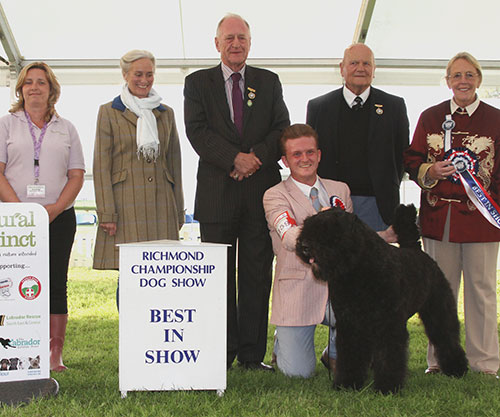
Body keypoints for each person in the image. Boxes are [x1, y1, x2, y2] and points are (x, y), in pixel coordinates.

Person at [184, 13, 290, 371]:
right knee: (218, 277)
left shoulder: (269, 81)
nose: (235, 43)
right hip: (217, 195)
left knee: (257, 274)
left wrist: (255, 158)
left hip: (261, 193)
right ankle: (220, 351)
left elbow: (281, 129)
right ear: (217, 44)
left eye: (242, 37)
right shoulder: (197, 83)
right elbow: (197, 132)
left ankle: (250, 355)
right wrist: (233, 158)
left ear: (250, 42)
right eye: (228, 38)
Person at [263, 123, 396, 378]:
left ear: (319, 154)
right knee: (298, 374)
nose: (305, 159)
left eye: (310, 152)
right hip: (298, 290)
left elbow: (353, 239)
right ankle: (283, 342)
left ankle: (332, 352)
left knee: (357, 352)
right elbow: (290, 237)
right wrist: (323, 226)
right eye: (297, 154)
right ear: (285, 161)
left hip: (340, 287)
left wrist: (385, 236)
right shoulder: (274, 195)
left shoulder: (340, 190)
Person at [404, 52, 500, 376]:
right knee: (438, 295)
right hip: (437, 221)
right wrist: (430, 169)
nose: (463, 81)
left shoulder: (496, 119)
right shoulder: (430, 117)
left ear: (478, 80)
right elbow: (411, 160)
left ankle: (484, 364)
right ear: (447, 81)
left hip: (482, 224)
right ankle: (439, 361)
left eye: (469, 75)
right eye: (457, 75)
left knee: (482, 293)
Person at [0, 62, 85, 372]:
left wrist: (55, 208)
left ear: (52, 90)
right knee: (11, 281)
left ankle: (53, 354)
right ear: (21, 89)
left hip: (58, 216)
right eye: (28, 82)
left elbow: (76, 175)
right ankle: (13, 345)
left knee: (55, 282)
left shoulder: (67, 128)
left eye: (41, 83)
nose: (34, 87)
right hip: (15, 220)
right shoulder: (6, 124)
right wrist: (23, 212)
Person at [93, 50, 184, 274]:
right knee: (128, 272)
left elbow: (175, 163)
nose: (144, 80)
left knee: (162, 271)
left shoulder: (167, 113)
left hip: (162, 204)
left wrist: (178, 211)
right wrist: (106, 213)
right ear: (125, 75)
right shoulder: (109, 112)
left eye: (149, 75)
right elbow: (101, 166)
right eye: (138, 74)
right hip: (125, 206)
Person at [306, 43, 409, 230]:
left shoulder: (394, 106)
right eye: (354, 63)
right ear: (342, 69)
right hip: (331, 203)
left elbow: (401, 154)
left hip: (377, 205)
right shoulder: (319, 107)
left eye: (366, 64)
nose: (360, 68)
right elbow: (311, 154)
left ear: (374, 69)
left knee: (376, 259)